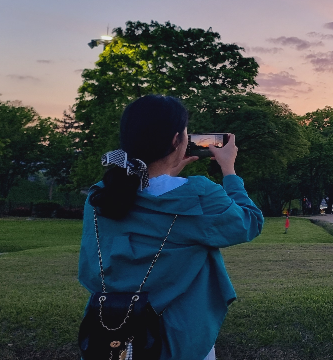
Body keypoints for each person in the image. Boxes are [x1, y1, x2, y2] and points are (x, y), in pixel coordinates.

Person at [79, 95, 264, 360]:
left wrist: (168, 172)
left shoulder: (100, 196)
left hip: (110, 335)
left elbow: (147, 202)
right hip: (177, 336)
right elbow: (249, 222)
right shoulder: (198, 194)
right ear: (177, 140)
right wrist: (229, 170)